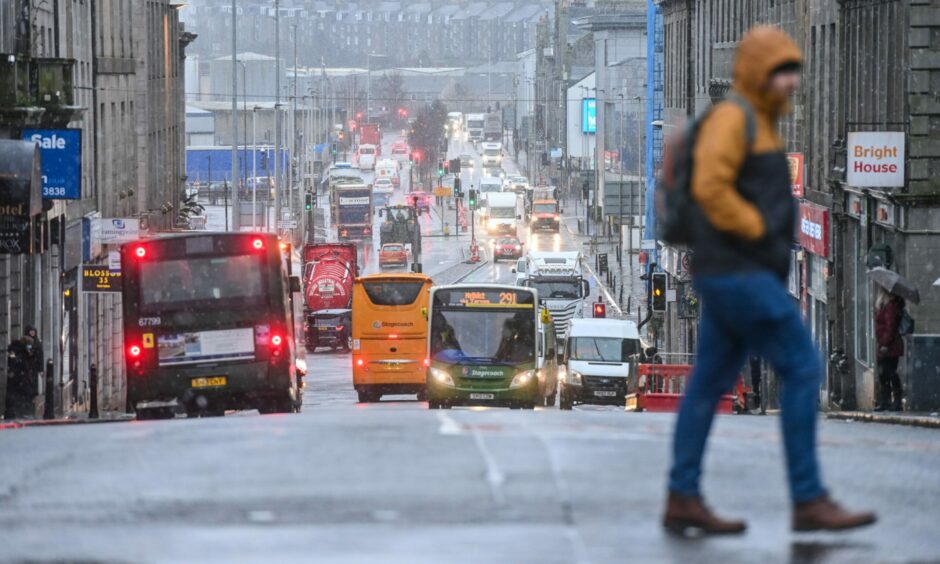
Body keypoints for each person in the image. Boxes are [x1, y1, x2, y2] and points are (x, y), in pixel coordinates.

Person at [663, 26, 876, 535]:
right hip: (739, 272)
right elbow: (712, 187)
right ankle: (807, 497)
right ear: (759, 73)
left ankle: (682, 495)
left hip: (732, 272)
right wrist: (758, 227)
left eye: (792, 72)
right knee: (803, 366)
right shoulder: (735, 119)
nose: (791, 83)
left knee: (707, 386)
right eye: (781, 72)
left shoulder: (757, 122)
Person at [874, 287, 904, 411]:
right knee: (883, 374)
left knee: (890, 373)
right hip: (883, 345)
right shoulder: (884, 305)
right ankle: (885, 401)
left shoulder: (890, 306)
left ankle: (896, 402)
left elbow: (890, 326)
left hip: (889, 346)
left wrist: (885, 343)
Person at [4, 334, 38, 419]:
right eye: (29, 345)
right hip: (19, 377)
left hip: (21, 376)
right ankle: (21, 412)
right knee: (22, 394)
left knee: (23, 394)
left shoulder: (23, 351)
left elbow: (31, 360)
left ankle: (22, 412)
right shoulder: (18, 351)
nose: (30, 347)